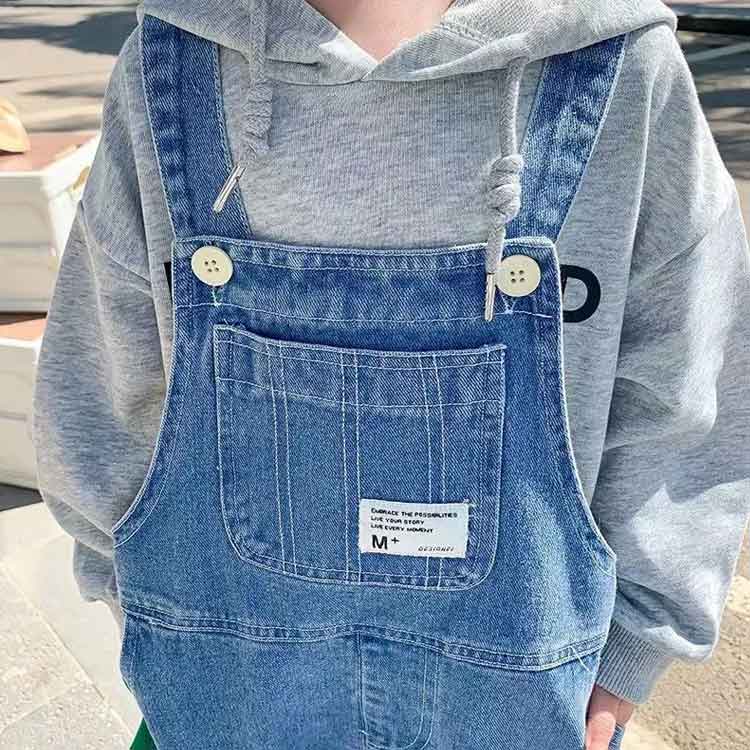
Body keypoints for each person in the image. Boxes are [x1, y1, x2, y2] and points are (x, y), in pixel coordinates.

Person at [32, 1, 750, 749]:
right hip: (227, 696)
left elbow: (688, 377)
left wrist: (638, 642)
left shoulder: (620, 67)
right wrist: (140, 607)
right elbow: (106, 377)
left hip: (516, 702)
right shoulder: (169, 72)